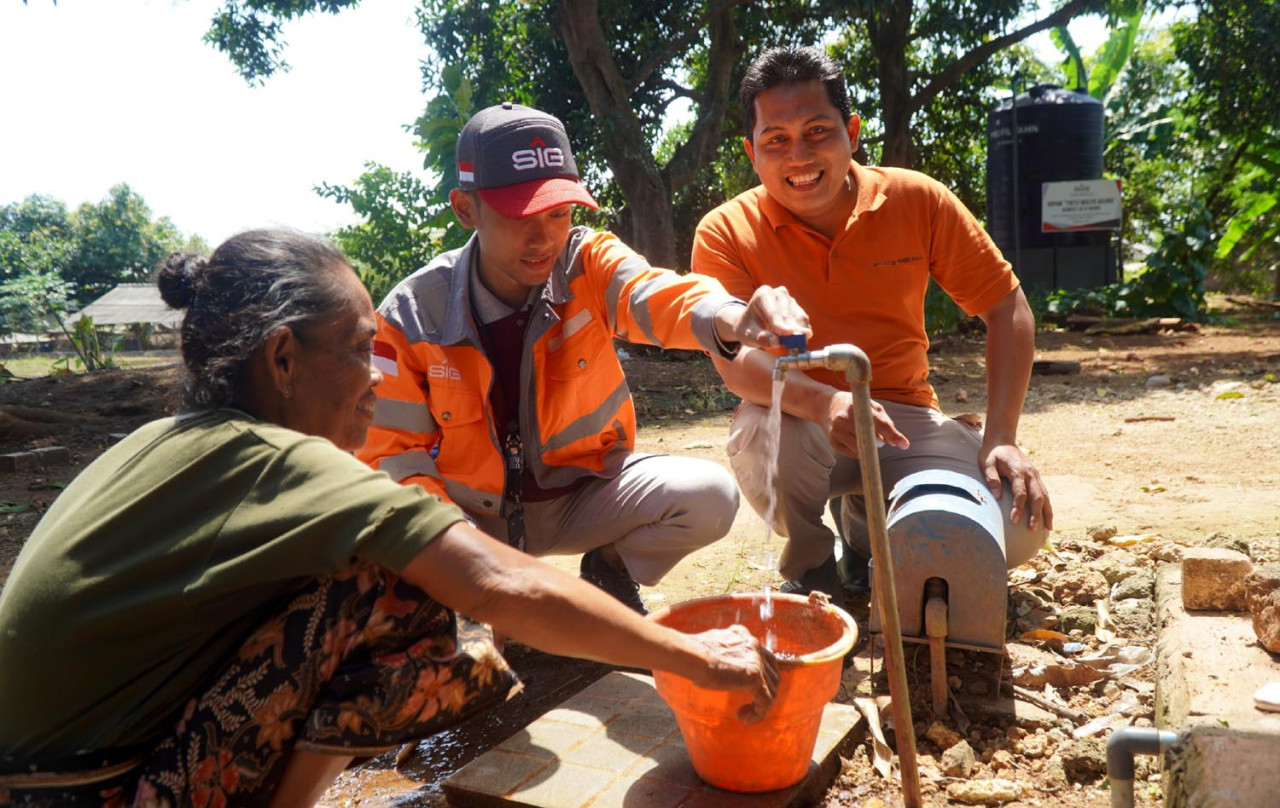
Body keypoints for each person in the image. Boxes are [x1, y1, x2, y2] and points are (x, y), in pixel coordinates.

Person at [0, 229, 780, 808]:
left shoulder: (162, 443)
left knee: (371, 571)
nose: (376, 376)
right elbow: (493, 582)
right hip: (87, 791)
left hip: (50, 772)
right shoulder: (278, 462)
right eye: (357, 350)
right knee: (402, 584)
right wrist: (689, 656)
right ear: (281, 360)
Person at [357, 102, 810, 615]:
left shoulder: (585, 261)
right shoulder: (411, 316)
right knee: (391, 569)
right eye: (519, 215)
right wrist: (470, 560)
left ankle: (608, 570)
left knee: (708, 496)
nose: (544, 237)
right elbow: (395, 462)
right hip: (470, 517)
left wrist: (731, 315)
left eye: (558, 213)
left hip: (583, 497)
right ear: (466, 209)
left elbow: (654, 292)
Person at [691, 46, 1053, 601]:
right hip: (795, 415)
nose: (799, 155)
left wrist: (1001, 438)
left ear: (852, 132)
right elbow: (737, 365)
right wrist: (823, 404)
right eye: (776, 140)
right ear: (752, 152)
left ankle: (866, 540)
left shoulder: (916, 200)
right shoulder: (724, 232)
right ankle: (811, 566)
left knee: (1017, 527)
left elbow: (1007, 309)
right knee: (768, 435)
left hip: (905, 418)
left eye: (817, 131)